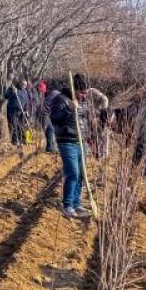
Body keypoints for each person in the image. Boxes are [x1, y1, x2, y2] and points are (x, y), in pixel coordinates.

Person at [49, 87, 90, 219]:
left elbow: (83, 119)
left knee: (81, 174)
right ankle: (68, 206)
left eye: (85, 92)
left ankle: (76, 203)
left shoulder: (82, 100)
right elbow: (55, 119)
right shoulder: (60, 100)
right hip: (67, 141)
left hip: (81, 141)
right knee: (73, 173)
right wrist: (69, 109)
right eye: (82, 92)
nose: (84, 95)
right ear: (75, 89)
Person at [4, 79, 31, 151]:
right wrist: (13, 92)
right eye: (23, 84)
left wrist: (26, 110)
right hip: (12, 111)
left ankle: (24, 140)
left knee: (21, 126)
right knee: (14, 126)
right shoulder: (12, 89)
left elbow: (26, 101)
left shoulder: (25, 91)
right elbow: (5, 96)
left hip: (21, 112)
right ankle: (15, 141)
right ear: (19, 84)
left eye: (25, 85)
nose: (24, 86)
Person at [34, 81, 57, 153]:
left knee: (50, 129)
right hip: (44, 114)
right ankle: (39, 148)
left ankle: (49, 148)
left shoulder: (50, 93)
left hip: (43, 112)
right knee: (44, 130)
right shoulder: (56, 94)